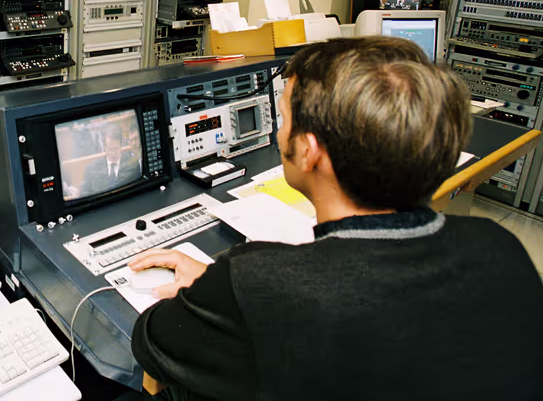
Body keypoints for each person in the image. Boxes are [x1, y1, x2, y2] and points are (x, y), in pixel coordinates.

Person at [128, 36, 543, 400]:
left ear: (309, 151)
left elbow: (151, 343)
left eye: (284, 119)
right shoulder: (499, 247)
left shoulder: (257, 280)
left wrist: (218, 294)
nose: (276, 134)